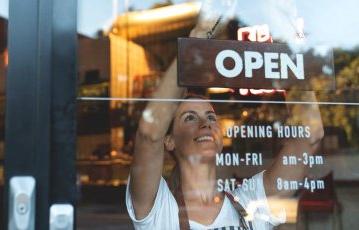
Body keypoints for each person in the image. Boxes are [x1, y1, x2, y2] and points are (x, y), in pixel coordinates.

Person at [126, 1, 324, 229]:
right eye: (190, 117)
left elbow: (310, 136)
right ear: (169, 140)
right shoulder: (159, 209)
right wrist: (197, 38)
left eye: (211, 118)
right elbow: (150, 133)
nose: (206, 124)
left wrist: (281, 39)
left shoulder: (251, 202)